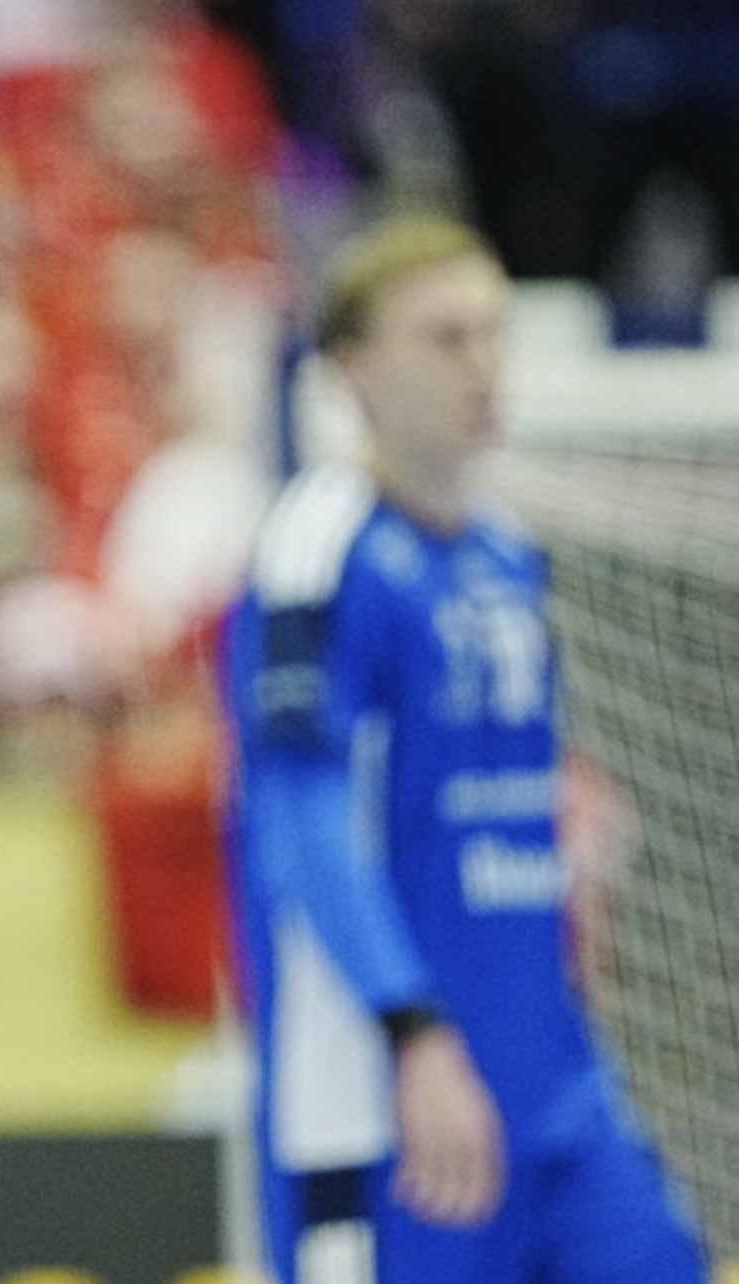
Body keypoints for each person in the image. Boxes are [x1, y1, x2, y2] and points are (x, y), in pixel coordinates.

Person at [219, 214, 707, 1283]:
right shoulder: (321, 546)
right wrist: (415, 1034)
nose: (484, 366)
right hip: (388, 1095)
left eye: (494, 333)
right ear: (353, 367)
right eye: (445, 338)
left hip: (550, 1077)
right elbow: (298, 817)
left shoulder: (506, 552)